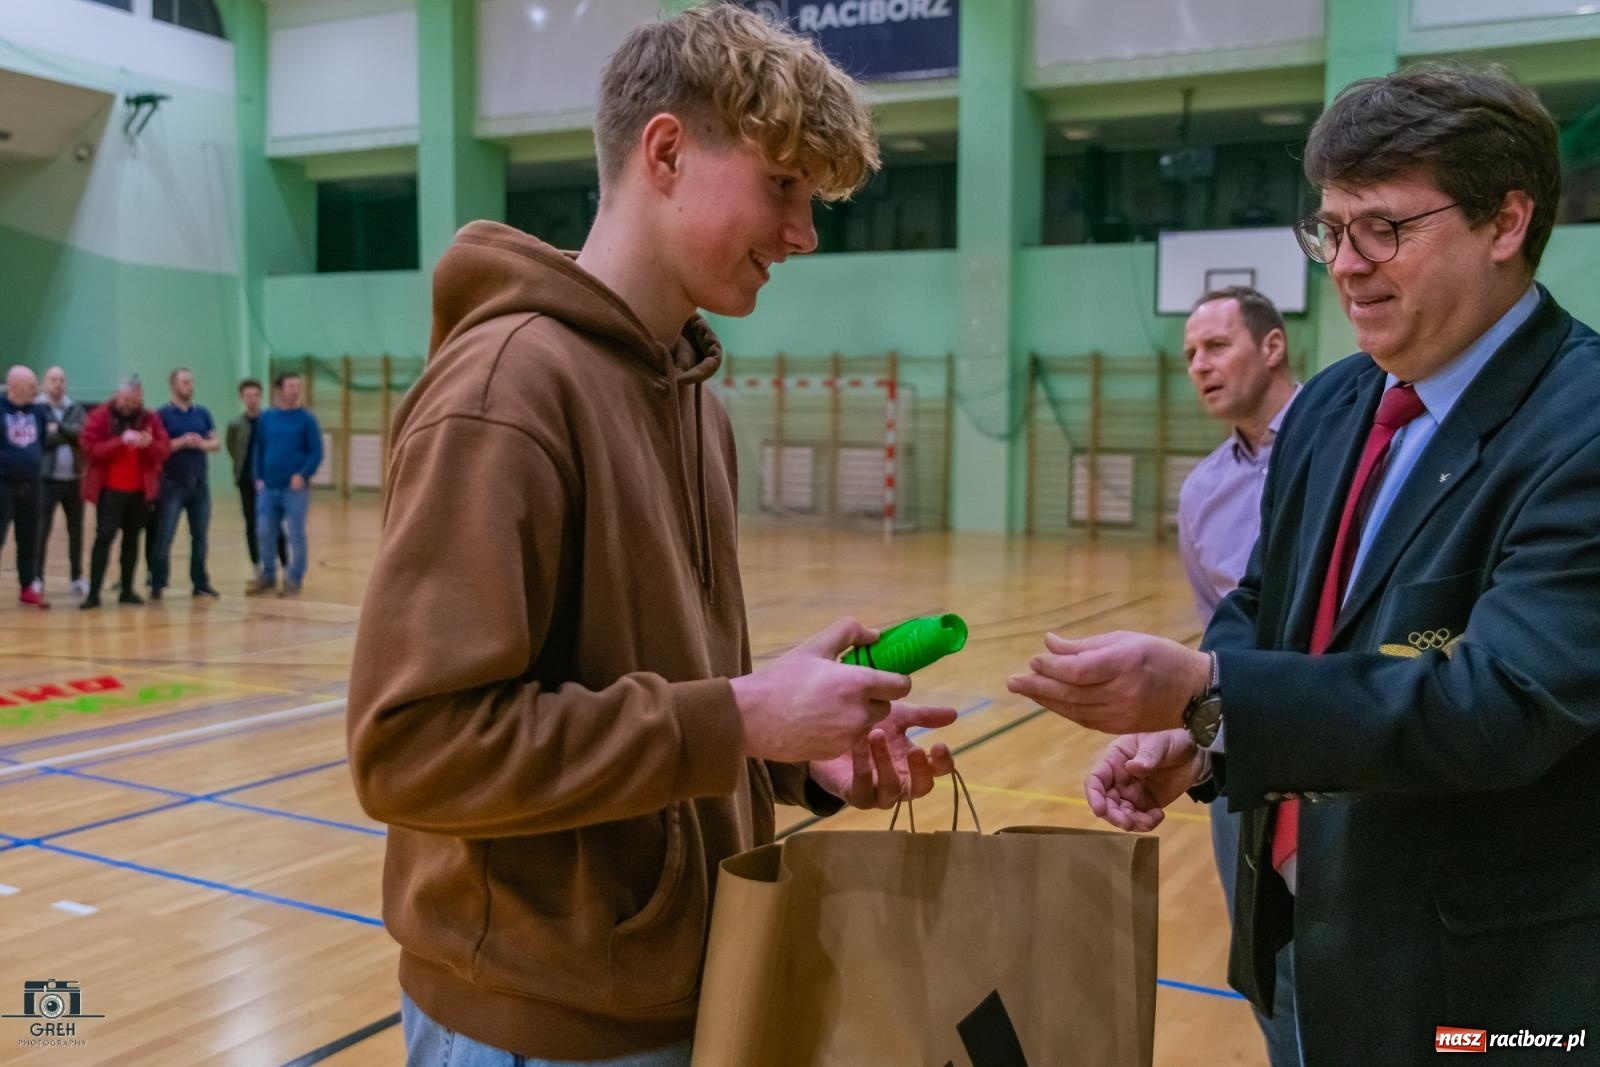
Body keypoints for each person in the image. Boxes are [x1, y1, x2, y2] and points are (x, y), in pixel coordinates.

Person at [346, 7, 954, 1064]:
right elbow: (414, 750)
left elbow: (644, 695)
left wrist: (786, 754)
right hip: (538, 1024)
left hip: (680, 993)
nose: (803, 234)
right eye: (782, 188)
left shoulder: (690, 396)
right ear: (665, 152)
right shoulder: (509, 388)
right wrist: (737, 714)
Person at [1012, 65, 1600, 1063]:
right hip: (1299, 927)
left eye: (1382, 228)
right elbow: (1267, 603)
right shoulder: (1332, 403)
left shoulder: (1577, 425)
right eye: (1329, 230)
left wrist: (1213, 687)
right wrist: (1206, 735)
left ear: (1505, 222)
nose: (1346, 263)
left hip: (1479, 990)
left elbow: (1498, 701)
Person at [1175, 286, 1301, 1066]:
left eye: (1216, 346)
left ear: (1273, 346)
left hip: (1345, 739)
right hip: (1243, 755)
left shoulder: (1357, 448)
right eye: (1190, 354)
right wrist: (1199, 739)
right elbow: (1218, 636)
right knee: (1264, 962)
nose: (1200, 366)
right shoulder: (1200, 491)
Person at [79, 376, 170, 610]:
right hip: (109, 491)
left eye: (135, 400)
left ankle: (127, 589)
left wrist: (149, 443)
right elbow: (90, 449)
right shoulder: (100, 416)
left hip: (139, 491)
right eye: (127, 399)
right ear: (118, 396)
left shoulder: (150, 418)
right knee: (104, 539)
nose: (130, 404)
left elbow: (164, 450)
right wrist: (120, 442)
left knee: (132, 541)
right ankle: (94, 592)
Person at [247, 371, 321, 597]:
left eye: (297, 386)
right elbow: (258, 449)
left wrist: (303, 474)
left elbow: (316, 451)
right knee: (264, 531)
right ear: (279, 390)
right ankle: (267, 574)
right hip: (268, 487)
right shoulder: (267, 417)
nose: (294, 390)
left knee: (296, 533)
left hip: (294, 489)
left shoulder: (307, 419)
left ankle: (294, 577)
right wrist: (258, 476)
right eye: (290, 386)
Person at [150, 367, 221, 599]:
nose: (190, 386)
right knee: (165, 535)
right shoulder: (161, 415)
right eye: (185, 383)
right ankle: (157, 581)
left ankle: (200, 582)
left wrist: (201, 443)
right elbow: (158, 448)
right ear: (173, 386)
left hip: (199, 484)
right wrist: (181, 442)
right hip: (172, 484)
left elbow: (215, 443)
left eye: (191, 382)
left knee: (200, 536)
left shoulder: (202, 413)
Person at [226, 377, 285, 586]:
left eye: (255, 395)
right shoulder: (235, 424)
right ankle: (256, 567)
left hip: (268, 480)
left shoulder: (269, 421)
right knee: (251, 524)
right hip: (246, 481)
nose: (252, 399)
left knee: (274, 523)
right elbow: (234, 449)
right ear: (242, 398)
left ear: (261, 397)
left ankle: (284, 566)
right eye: (247, 396)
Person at [38, 366, 88, 599]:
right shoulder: (38, 408)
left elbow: (82, 437)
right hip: (47, 480)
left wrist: (58, 428)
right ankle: (36, 578)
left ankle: (77, 578)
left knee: (76, 531)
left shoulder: (74, 408)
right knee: (41, 530)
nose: (58, 383)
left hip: (74, 480)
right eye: (53, 379)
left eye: (61, 379)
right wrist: (67, 433)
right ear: (44, 383)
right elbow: (42, 440)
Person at [1, 365, 49, 608]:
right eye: (32, 386)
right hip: (4, 483)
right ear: (16, 387)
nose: (36, 390)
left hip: (32, 484)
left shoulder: (38, 411)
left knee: (30, 537)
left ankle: (28, 586)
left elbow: (42, 441)